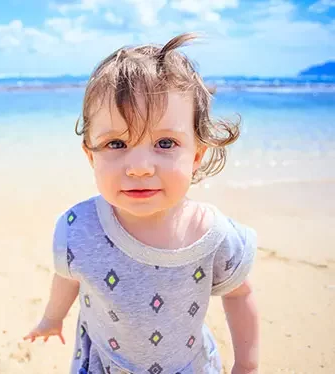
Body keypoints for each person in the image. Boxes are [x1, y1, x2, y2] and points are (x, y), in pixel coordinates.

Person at [24, 32, 259, 374]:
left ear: (196, 154)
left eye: (165, 142)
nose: (139, 167)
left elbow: (239, 295)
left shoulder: (213, 236)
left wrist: (247, 366)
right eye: (116, 144)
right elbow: (69, 275)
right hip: (104, 363)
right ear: (91, 157)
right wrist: (51, 317)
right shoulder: (79, 227)